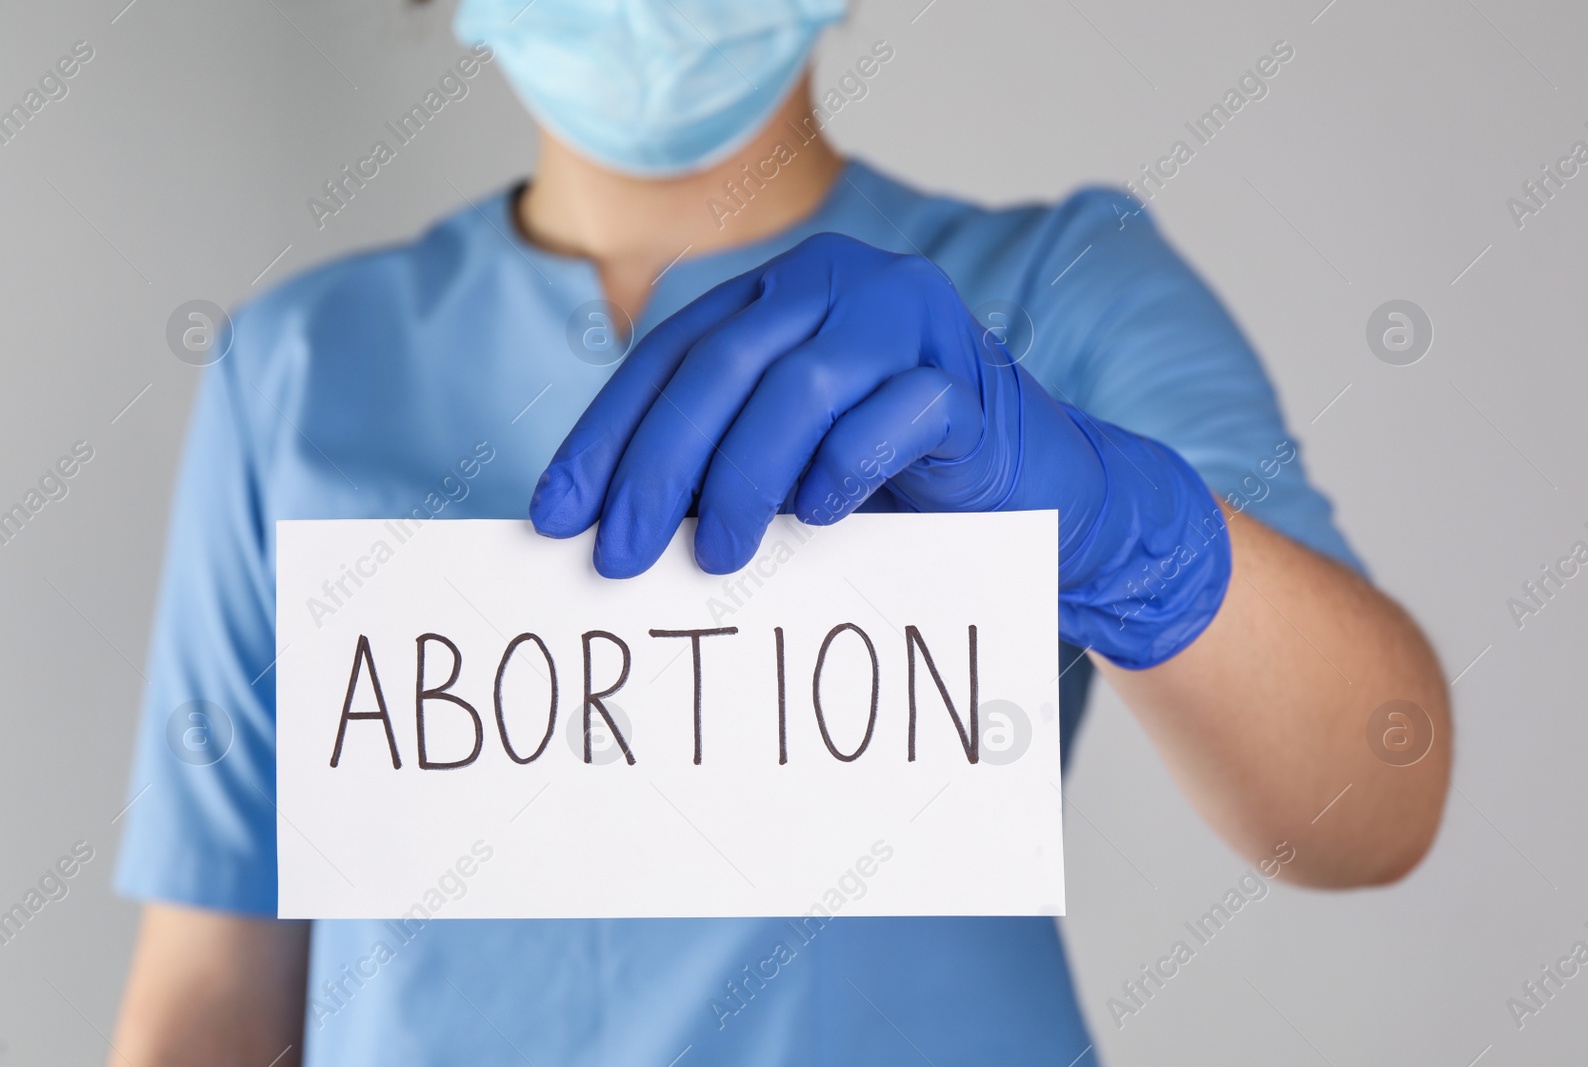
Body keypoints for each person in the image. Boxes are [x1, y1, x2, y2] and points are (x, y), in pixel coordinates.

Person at [108, 1, 1452, 1063]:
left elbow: (1375, 803)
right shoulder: (298, 368)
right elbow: (212, 1001)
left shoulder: (1061, 290)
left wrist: (1112, 525)